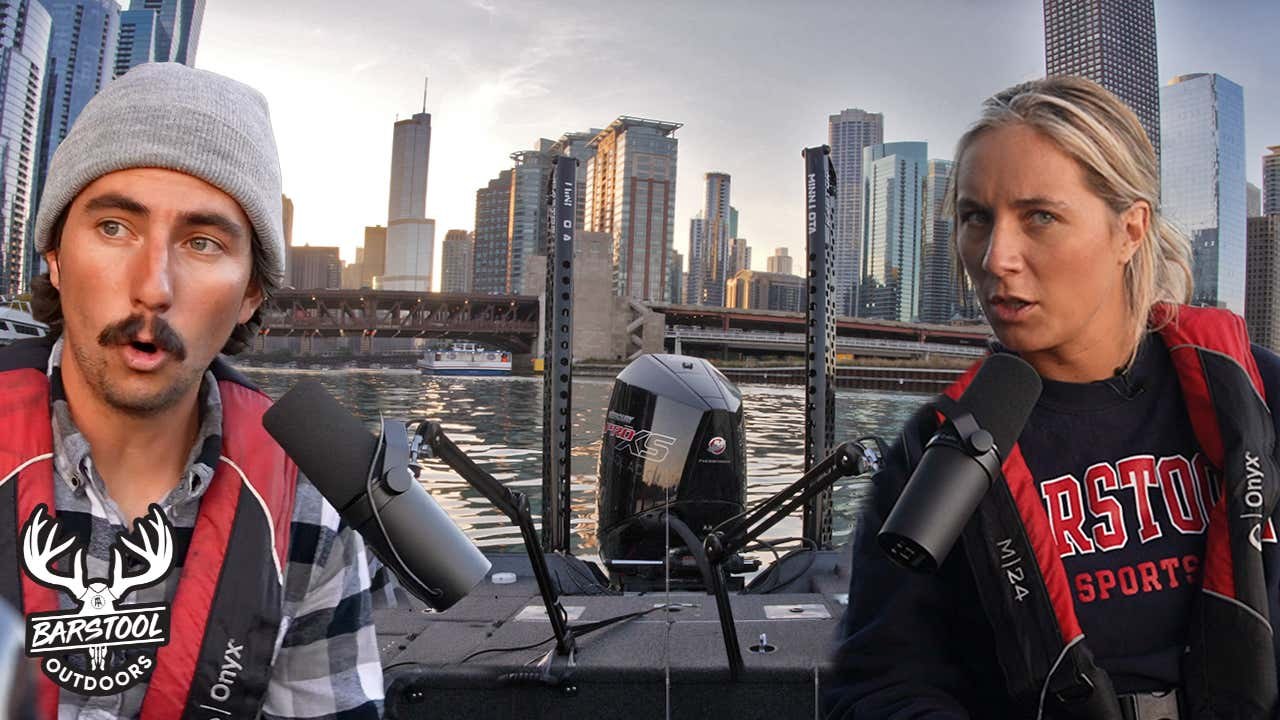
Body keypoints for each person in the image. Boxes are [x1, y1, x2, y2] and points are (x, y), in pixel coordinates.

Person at [826, 76, 1280, 719]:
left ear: (1130, 230)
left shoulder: (1259, 395)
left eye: (1040, 216)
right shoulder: (935, 451)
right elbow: (882, 684)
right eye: (976, 218)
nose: (996, 258)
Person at [0, 63, 391, 719]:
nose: (153, 287)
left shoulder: (307, 510)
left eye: (203, 243)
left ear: (251, 294)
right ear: (55, 257)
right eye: (114, 228)